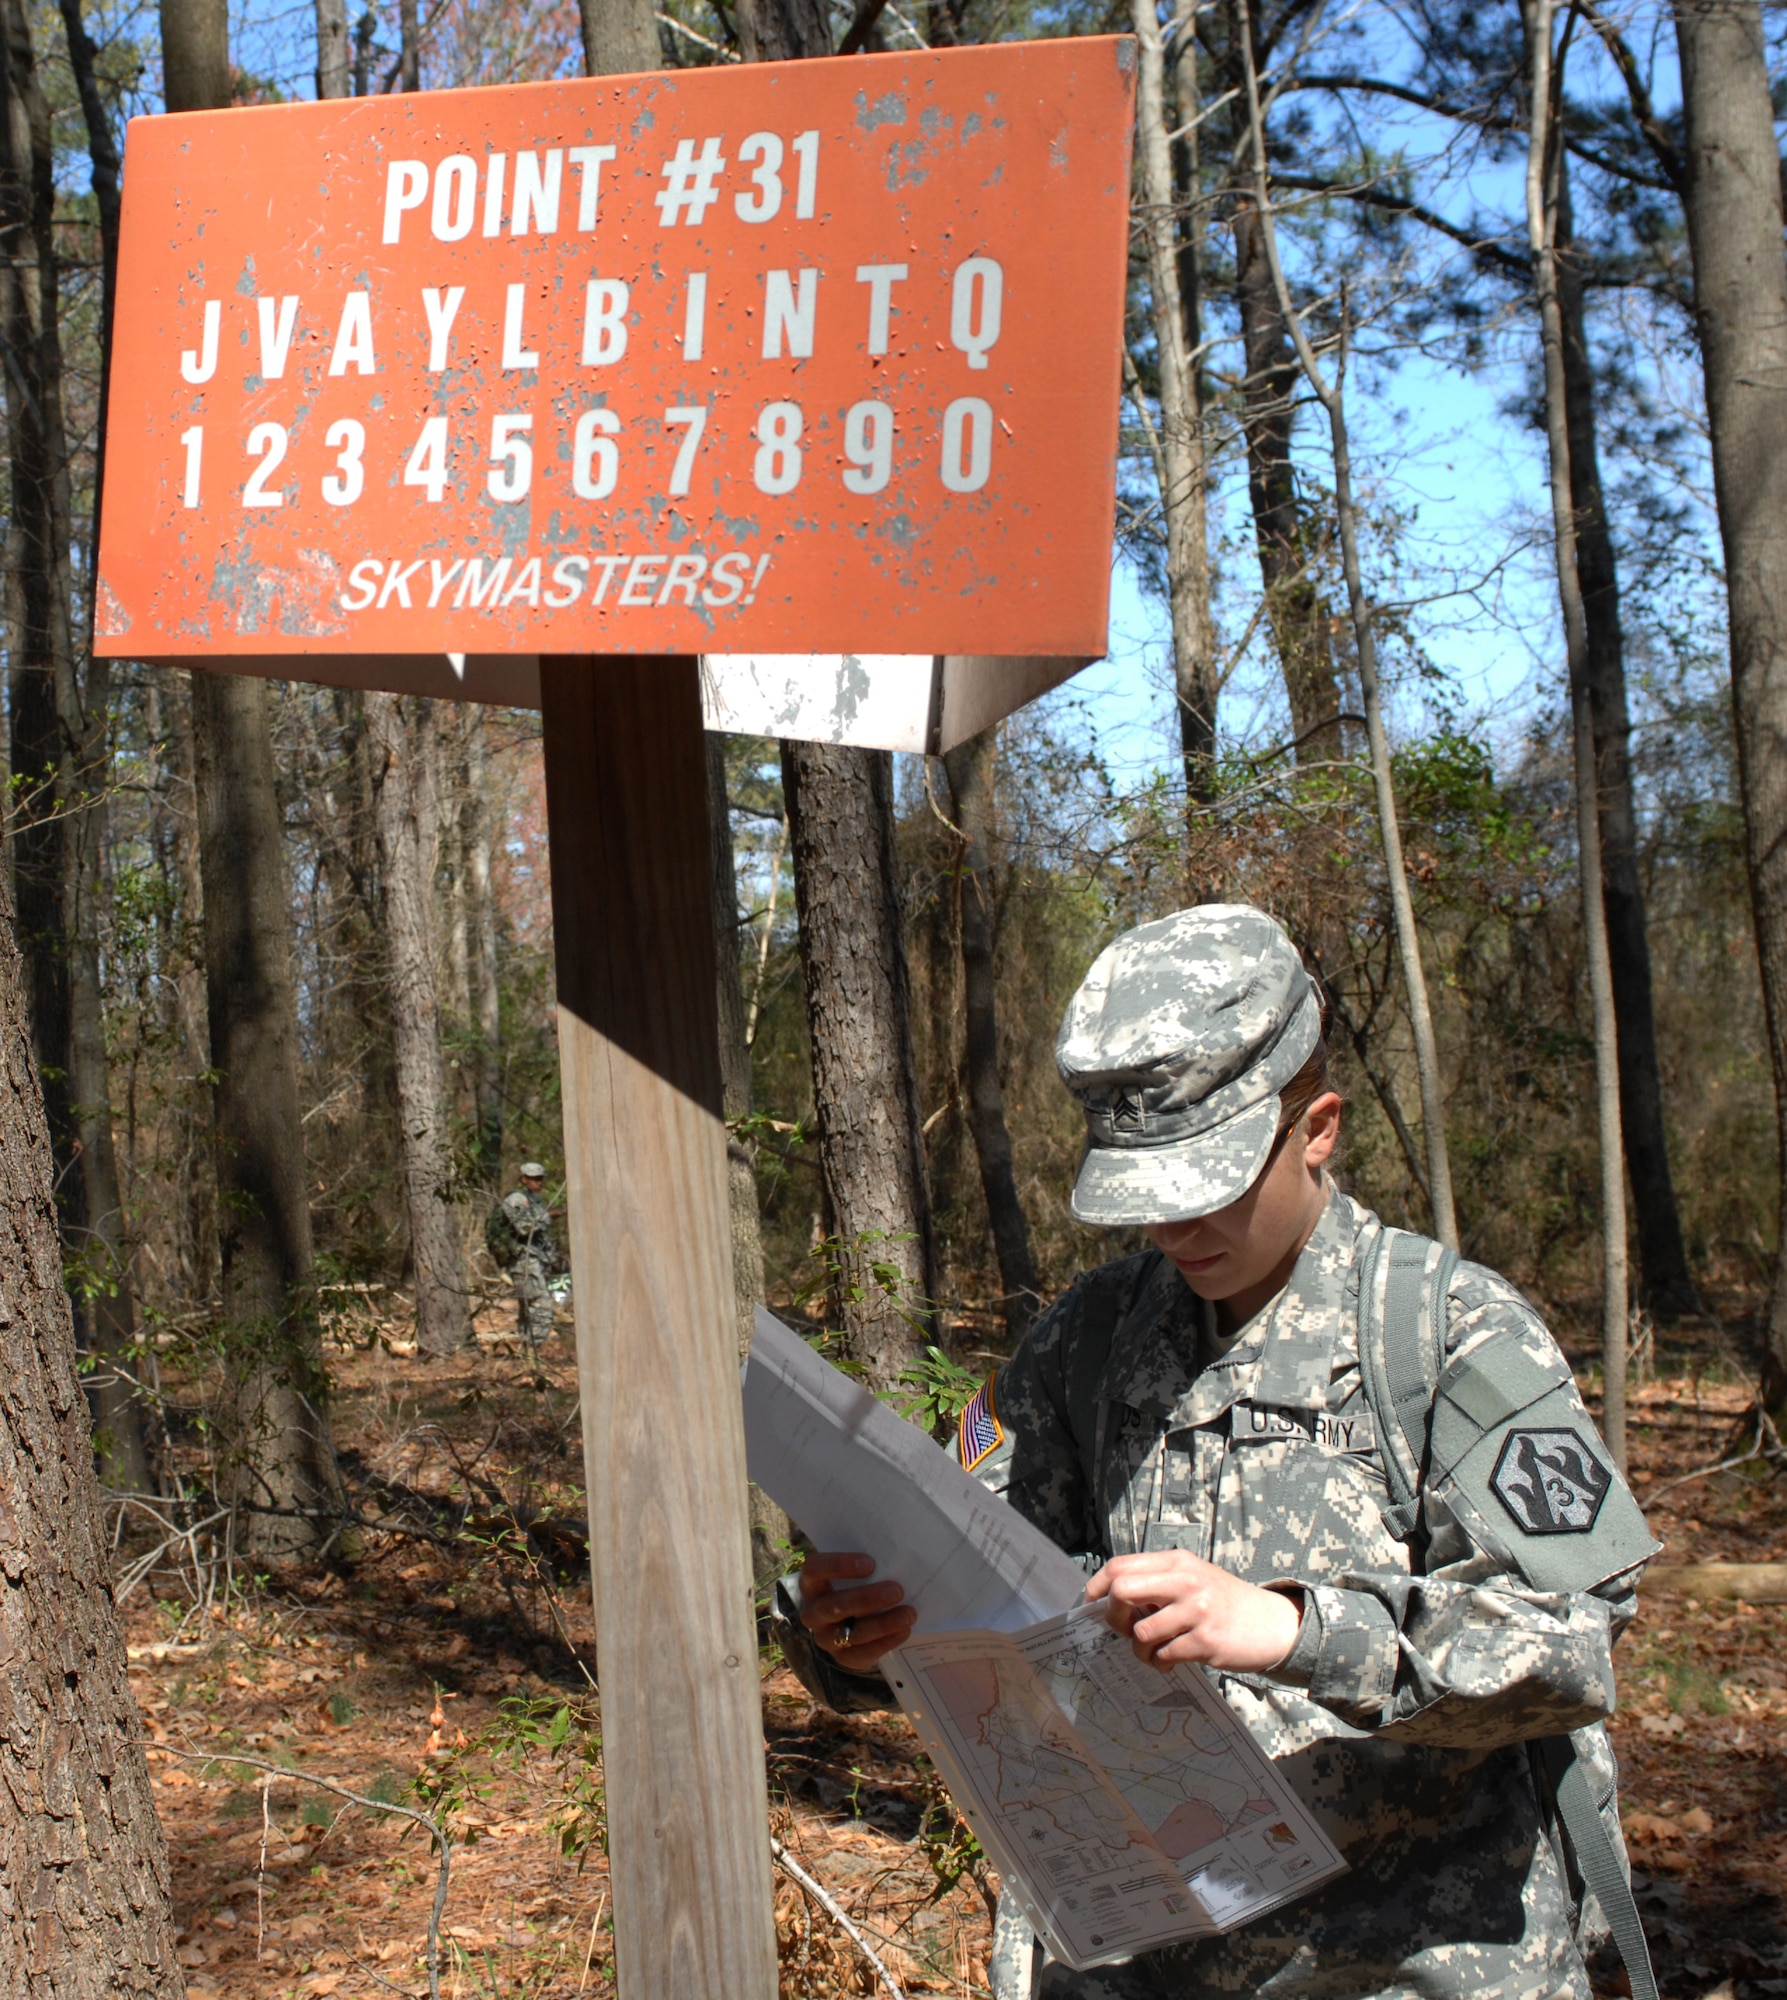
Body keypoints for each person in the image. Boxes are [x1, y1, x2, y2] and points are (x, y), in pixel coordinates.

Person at [776, 905, 1659, 2000]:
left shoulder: (1446, 1336)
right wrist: (848, 1629)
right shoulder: (1079, 1344)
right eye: (1147, 1196)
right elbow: (954, 1563)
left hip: (1404, 1965)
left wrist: (1296, 1627)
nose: (1176, 1229)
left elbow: (1569, 1647)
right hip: (1135, 1958)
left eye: (1211, 1184)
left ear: (1317, 1125)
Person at [485, 1163, 563, 1351]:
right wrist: (549, 1215)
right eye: (534, 1178)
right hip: (523, 1260)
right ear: (523, 1179)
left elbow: (540, 1237)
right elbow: (524, 1228)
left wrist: (551, 1260)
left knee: (530, 1304)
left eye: (540, 1178)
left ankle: (528, 1350)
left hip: (534, 1259)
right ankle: (536, 1347)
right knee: (539, 1303)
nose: (539, 1182)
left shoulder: (535, 1200)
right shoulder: (517, 1199)